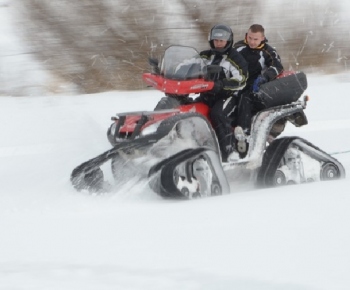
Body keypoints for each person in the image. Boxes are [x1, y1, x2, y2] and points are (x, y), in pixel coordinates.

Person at [195, 24, 248, 162]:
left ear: (228, 41)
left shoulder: (235, 58)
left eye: (221, 41)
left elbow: (241, 79)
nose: (218, 44)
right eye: (216, 40)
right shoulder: (204, 56)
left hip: (228, 96)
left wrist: (222, 84)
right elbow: (188, 66)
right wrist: (171, 71)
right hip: (206, 95)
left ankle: (229, 151)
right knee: (190, 112)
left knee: (217, 114)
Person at [232, 24, 284, 154]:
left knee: (245, 98)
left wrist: (264, 77)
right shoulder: (238, 47)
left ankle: (244, 136)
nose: (252, 42)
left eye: (256, 39)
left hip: (256, 88)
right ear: (247, 35)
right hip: (236, 84)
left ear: (262, 38)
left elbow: (278, 66)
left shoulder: (268, 51)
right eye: (250, 38)